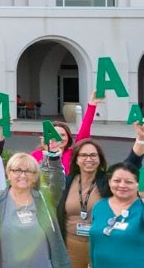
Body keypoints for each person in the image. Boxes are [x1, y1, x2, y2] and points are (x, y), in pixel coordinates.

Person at [53, 124, 144, 268]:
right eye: (83, 155)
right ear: (76, 159)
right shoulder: (67, 181)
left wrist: (140, 139)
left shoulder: (107, 181)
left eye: (93, 155)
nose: (88, 159)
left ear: (100, 159)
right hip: (72, 247)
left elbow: (129, 165)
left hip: (102, 244)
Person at [0, 153, 70, 268]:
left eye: (28, 171)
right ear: (8, 173)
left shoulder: (44, 199)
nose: (23, 175)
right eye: (17, 170)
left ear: (35, 177)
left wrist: (54, 158)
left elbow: (58, 184)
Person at [89, 162, 144, 267]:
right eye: (117, 181)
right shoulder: (100, 206)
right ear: (109, 182)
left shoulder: (141, 208)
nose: (122, 185)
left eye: (129, 182)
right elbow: (93, 243)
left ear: (137, 184)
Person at [31, 91, 100, 174]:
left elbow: (84, 132)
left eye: (63, 135)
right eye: (55, 134)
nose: (58, 138)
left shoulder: (73, 154)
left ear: (68, 138)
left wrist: (92, 105)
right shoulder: (35, 155)